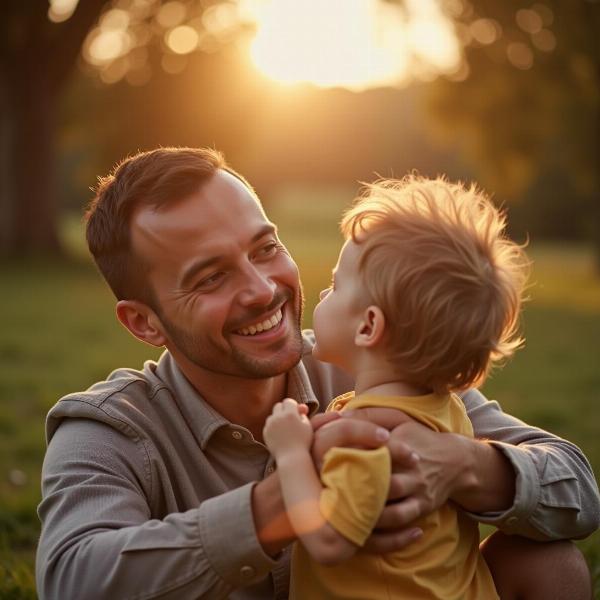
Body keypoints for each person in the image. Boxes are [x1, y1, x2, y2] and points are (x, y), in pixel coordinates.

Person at [36, 147, 599, 599]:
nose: (262, 290)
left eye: (265, 248)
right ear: (143, 323)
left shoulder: (378, 367)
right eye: (210, 278)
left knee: (547, 558)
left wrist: (465, 465)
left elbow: (577, 487)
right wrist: (271, 509)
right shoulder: (110, 429)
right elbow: (71, 579)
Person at [263, 176, 529, 598]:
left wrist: (290, 450)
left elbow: (330, 541)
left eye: (334, 286)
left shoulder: (370, 434)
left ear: (369, 326)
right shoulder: (445, 409)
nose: (323, 294)